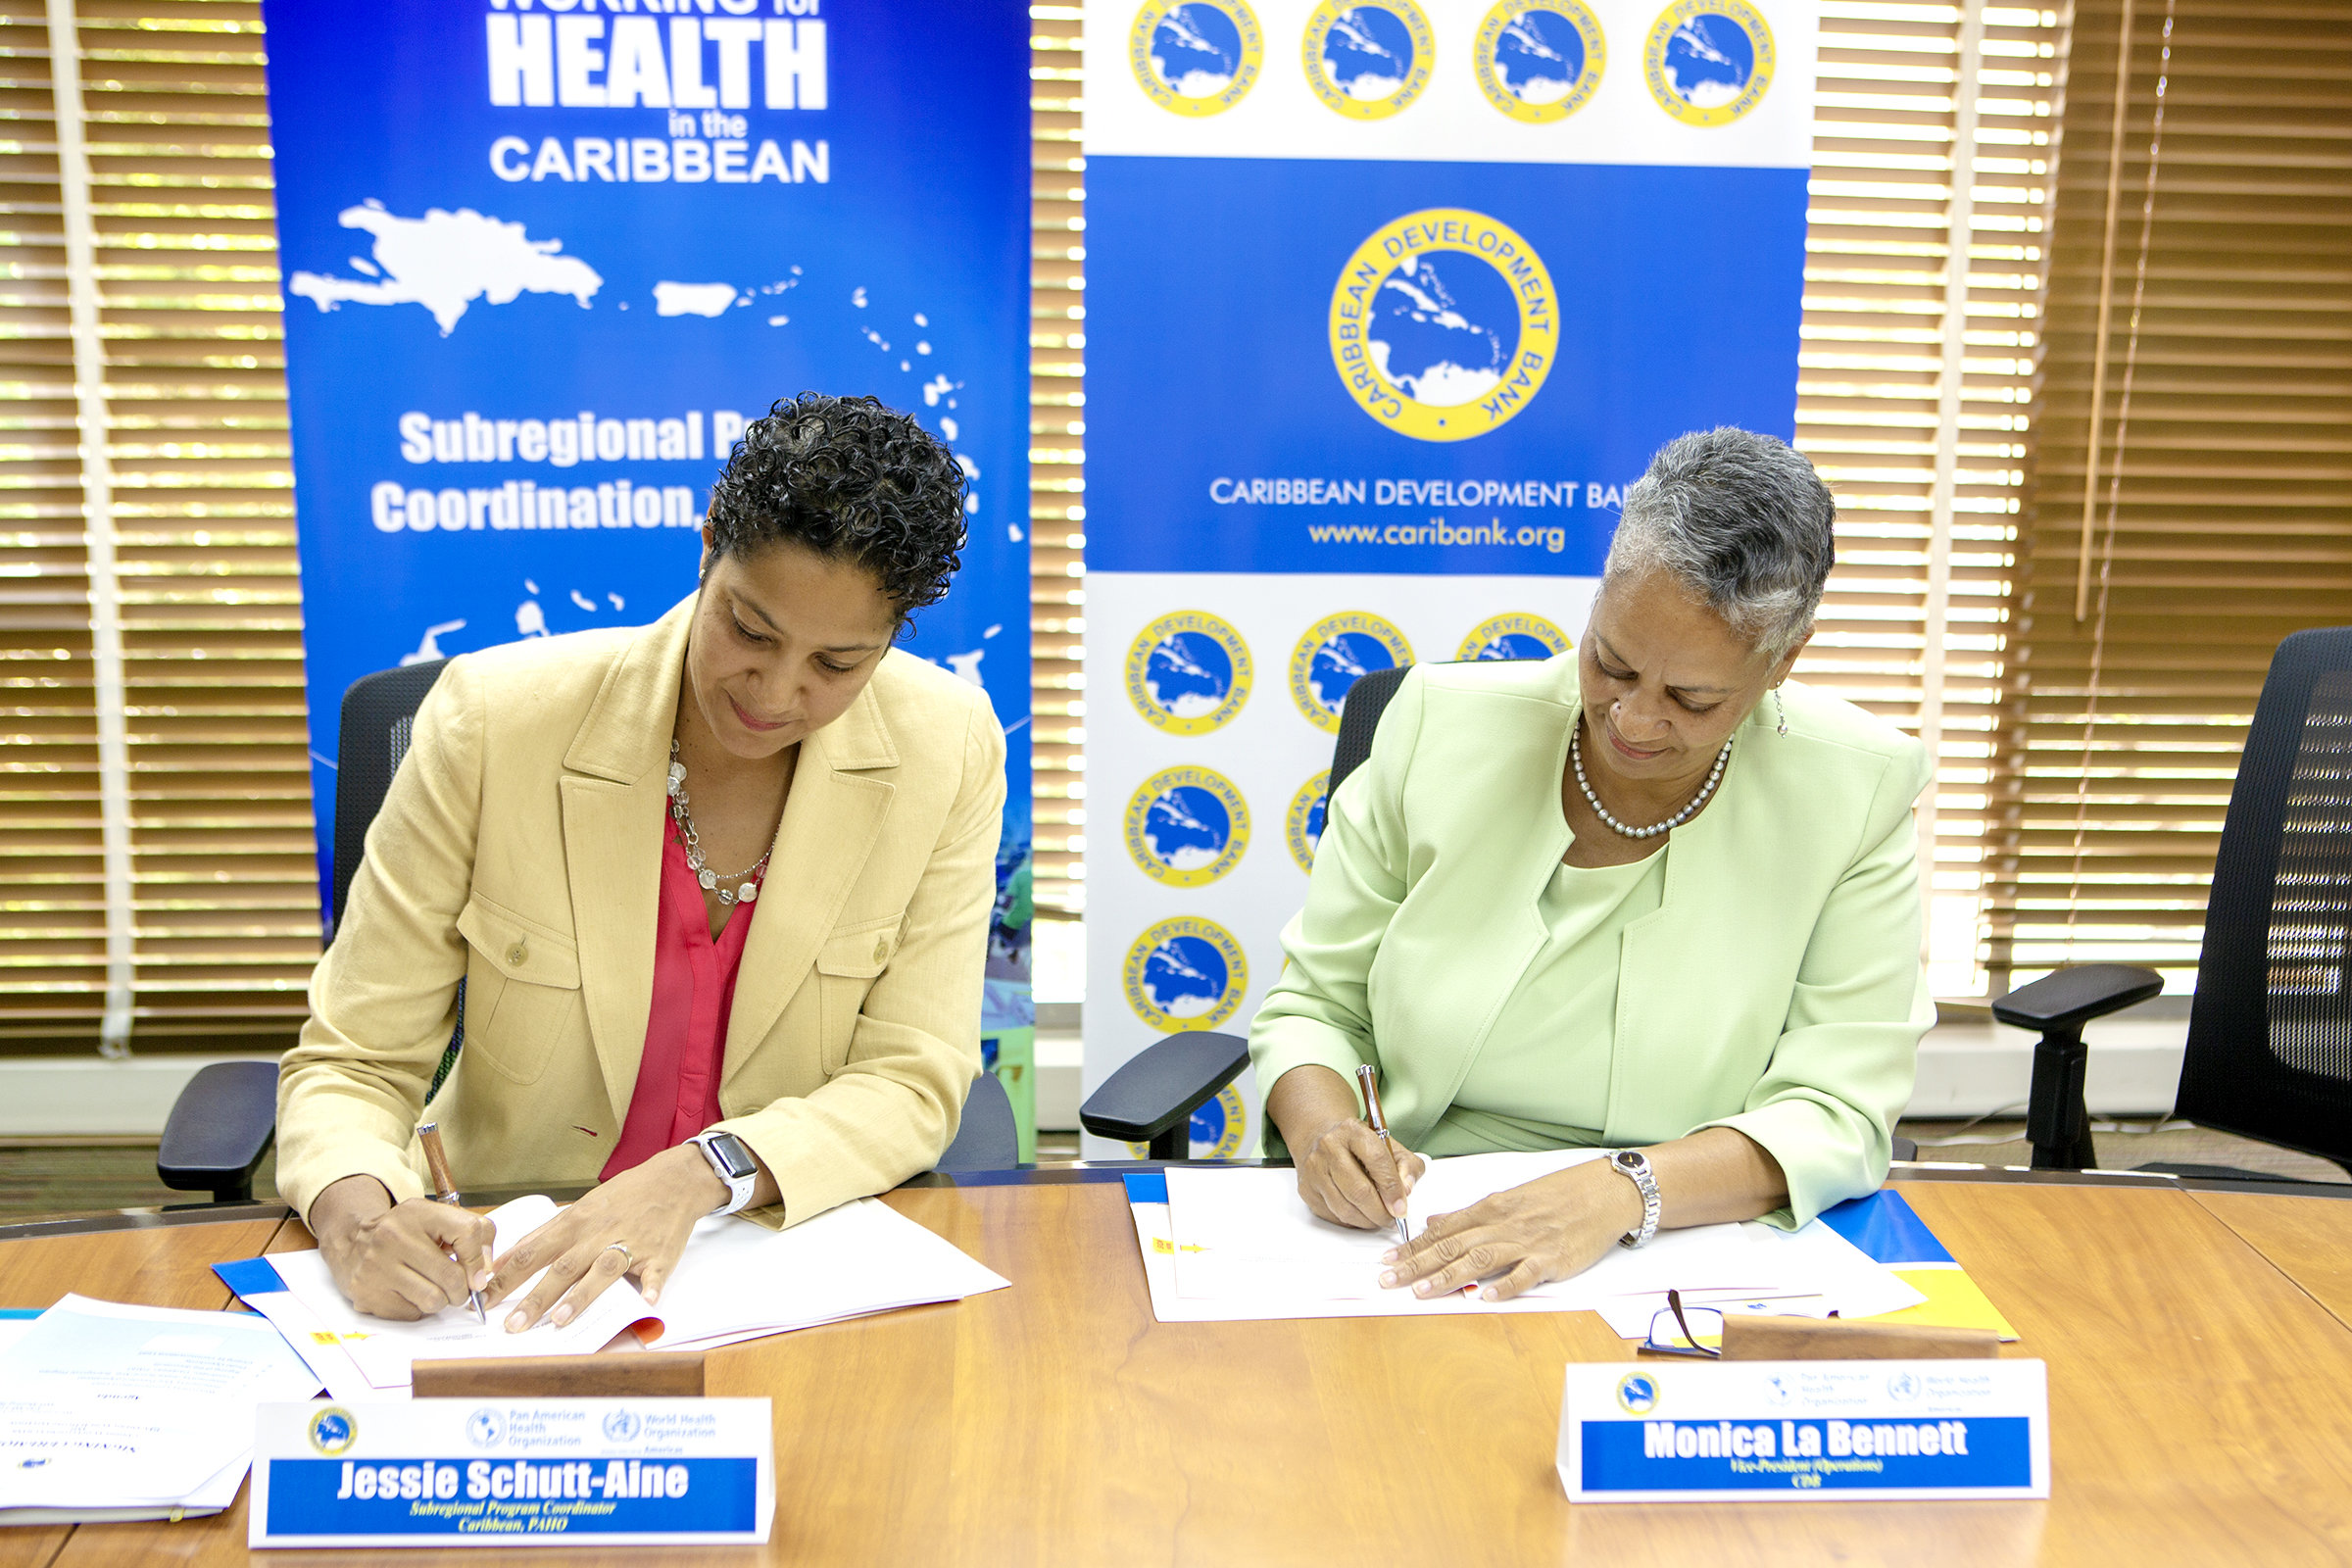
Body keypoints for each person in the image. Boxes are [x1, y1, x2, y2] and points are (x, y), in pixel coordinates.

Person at [277, 393, 1004, 1332]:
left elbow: (913, 1077)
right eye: (750, 629)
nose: (778, 693)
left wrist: (704, 1173)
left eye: (837, 664)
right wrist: (361, 1223)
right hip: (510, 1269)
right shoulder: (497, 725)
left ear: (894, 636)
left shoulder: (947, 748)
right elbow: (357, 1061)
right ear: (708, 551)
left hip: (784, 1267)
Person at [1250, 426, 1933, 1302]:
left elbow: (1838, 1111)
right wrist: (1323, 1132)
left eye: (1693, 698)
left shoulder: (1856, 790)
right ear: (1598, 599)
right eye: (1611, 663)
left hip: (1688, 1240)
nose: (1635, 721)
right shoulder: (1437, 726)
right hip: (1416, 1223)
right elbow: (1315, 1005)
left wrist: (1616, 1193)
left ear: (1781, 665)